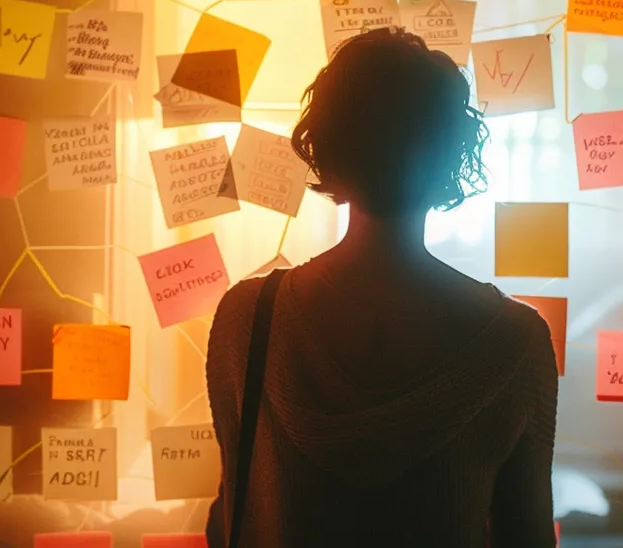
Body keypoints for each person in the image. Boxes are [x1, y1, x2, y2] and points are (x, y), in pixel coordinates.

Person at [204, 28, 559, 547]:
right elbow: (526, 538)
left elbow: (233, 519)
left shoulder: (248, 321)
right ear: (449, 159)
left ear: (329, 149)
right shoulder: (514, 341)